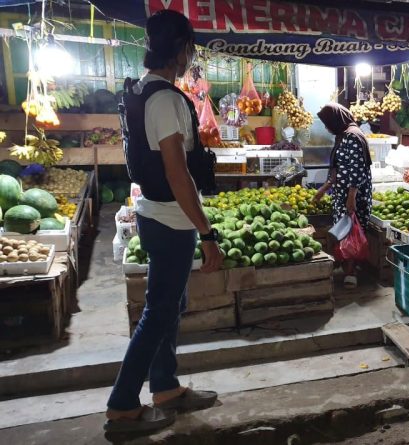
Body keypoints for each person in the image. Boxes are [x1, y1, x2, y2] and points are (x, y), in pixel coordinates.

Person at [105, 10, 223, 435]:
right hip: (171, 220)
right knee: (159, 312)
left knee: (170, 306)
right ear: (180, 50)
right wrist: (207, 233)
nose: (191, 56)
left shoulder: (141, 91)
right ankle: (122, 405)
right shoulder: (166, 100)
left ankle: (166, 387)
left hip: (155, 214)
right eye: (190, 48)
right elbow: (178, 173)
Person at [314, 103, 373, 289]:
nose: (326, 128)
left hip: (353, 195)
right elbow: (338, 168)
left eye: (327, 124)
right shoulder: (343, 135)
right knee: (344, 230)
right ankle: (347, 264)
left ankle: (351, 272)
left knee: (350, 232)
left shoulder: (353, 137)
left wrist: (351, 197)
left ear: (336, 120)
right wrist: (324, 188)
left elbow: (356, 170)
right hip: (342, 193)